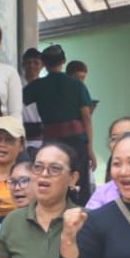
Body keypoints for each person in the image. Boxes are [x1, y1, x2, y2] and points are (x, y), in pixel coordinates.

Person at [25, 44, 96, 183]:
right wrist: (90, 148)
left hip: (51, 140)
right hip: (77, 140)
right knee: (78, 181)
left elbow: (19, 101)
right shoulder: (77, 85)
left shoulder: (37, 86)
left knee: (52, 179)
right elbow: (86, 117)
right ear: (63, 61)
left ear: (43, 64)